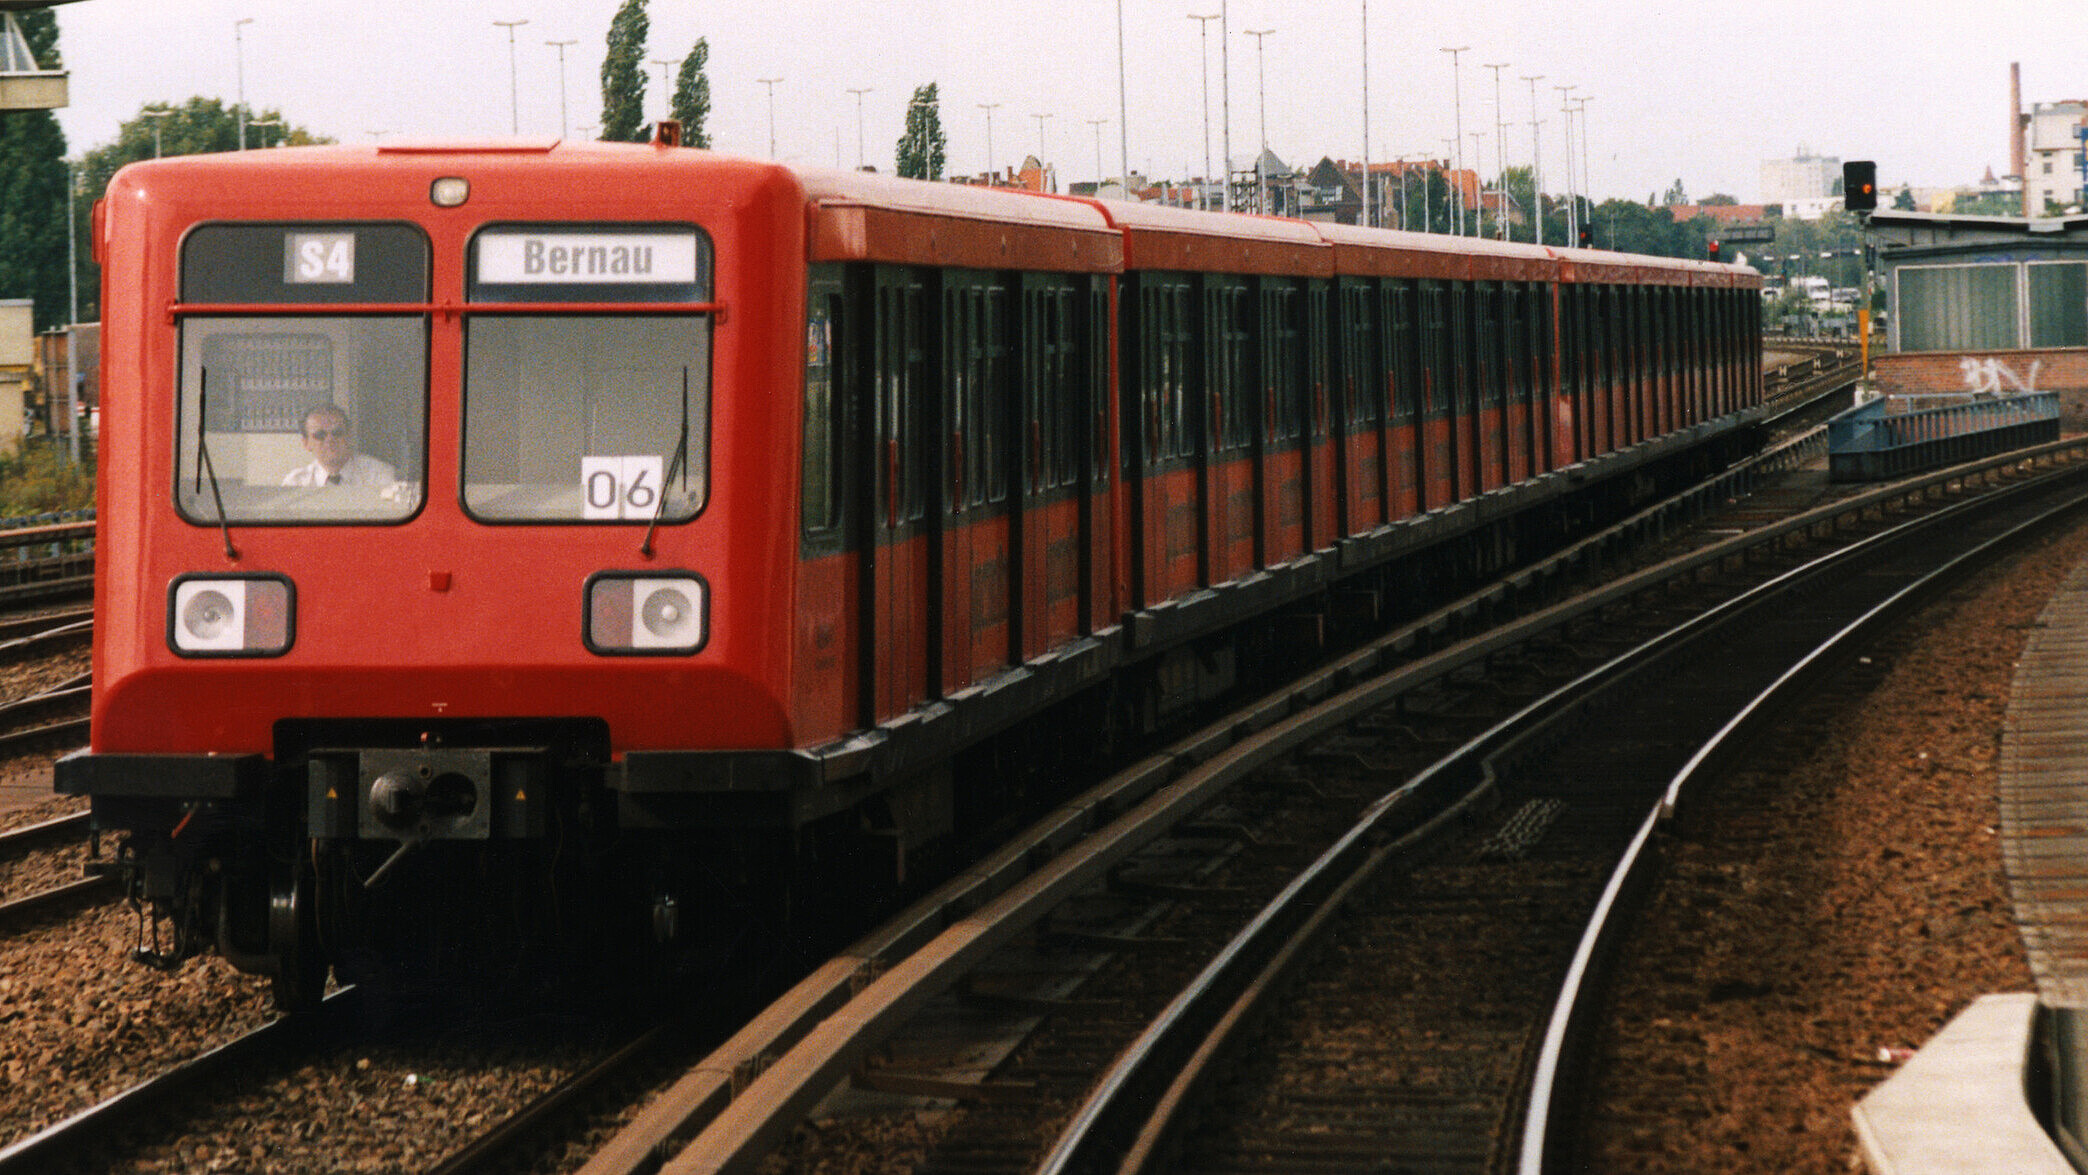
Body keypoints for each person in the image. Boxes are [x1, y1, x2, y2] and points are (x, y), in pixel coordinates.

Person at [283, 403, 398, 486]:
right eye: (320, 435)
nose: (330, 439)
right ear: (306, 443)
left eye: (337, 433)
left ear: (349, 436)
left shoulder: (379, 475)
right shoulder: (295, 482)